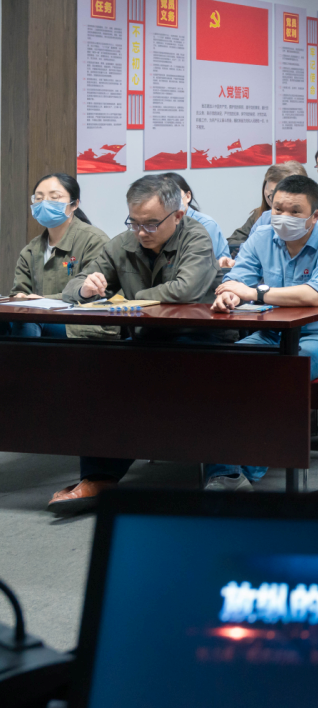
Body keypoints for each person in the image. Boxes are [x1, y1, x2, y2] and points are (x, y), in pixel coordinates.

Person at [50, 175, 217, 514]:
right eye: (135, 222)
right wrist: (86, 288)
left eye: (151, 224)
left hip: (196, 337)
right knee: (101, 379)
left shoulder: (196, 238)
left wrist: (126, 299)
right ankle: (99, 476)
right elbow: (73, 286)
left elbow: (184, 290)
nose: (141, 232)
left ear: (177, 216)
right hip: (144, 337)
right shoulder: (123, 243)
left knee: (212, 384)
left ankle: (225, 473)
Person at [203, 174, 318, 490]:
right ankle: (226, 474)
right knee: (222, 369)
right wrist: (229, 295)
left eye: (295, 211)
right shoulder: (261, 236)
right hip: (272, 334)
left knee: (279, 375)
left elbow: (314, 295)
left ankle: (241, 473)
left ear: (315, 215)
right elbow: (236, 280)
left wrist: (254, 293)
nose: (283, 217)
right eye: (278, 209)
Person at [5, 173, 108, 338]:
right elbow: (19, 294)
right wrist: (19, 297)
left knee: (30, 320)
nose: (44, 203)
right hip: (42, 319)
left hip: (85, 322)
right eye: (39, 198)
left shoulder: (94, 241)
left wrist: (39, 300)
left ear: (74, 204)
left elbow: (96, 293)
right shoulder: (30, 250)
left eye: (54, 198)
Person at [227, 162, 307, 256]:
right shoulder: (263, 217)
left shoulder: (315, 220)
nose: (276, 200)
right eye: (272, 194)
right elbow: (236, 244)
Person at [160, 172, 232, 266]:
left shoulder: (206, 224)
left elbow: (200, 264)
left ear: (188, 196)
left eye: (175, 194)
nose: (170, 200)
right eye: (164, 196)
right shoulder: (160, 224)